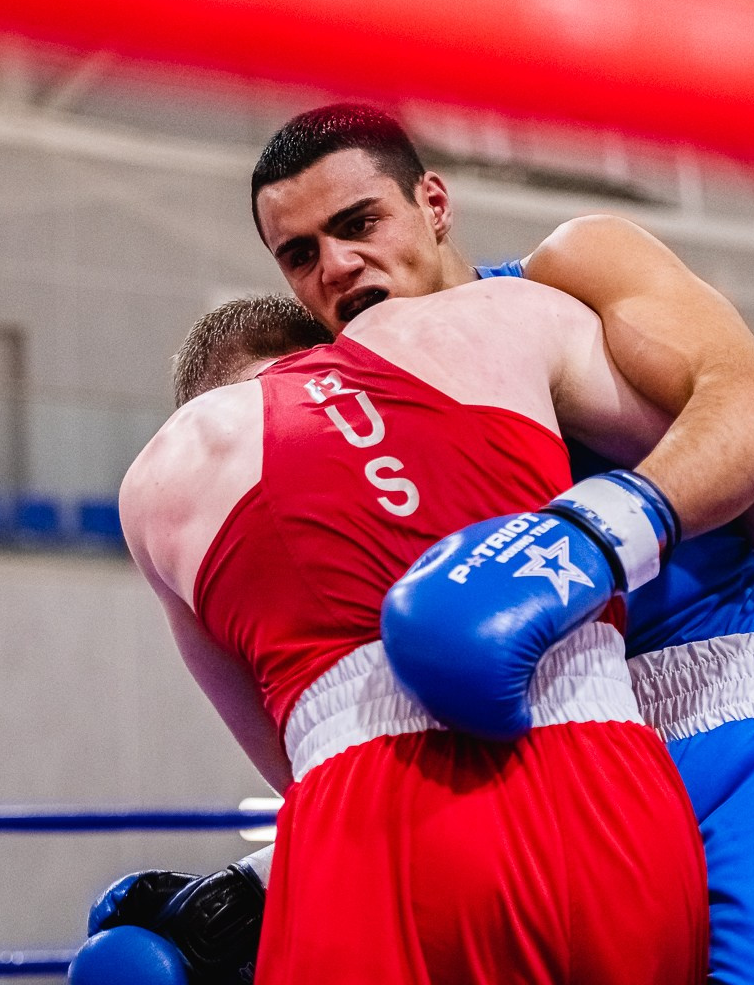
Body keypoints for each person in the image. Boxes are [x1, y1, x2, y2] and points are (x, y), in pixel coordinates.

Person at [248, 104, 754, 985]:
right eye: (300, 254)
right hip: (524, 771)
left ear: (433, 203)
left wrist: (584, 541)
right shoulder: (335, 414)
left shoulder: (568, 277)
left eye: (359, 223)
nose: (337, 265)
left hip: (705, 715)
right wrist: (261, 879)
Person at [115, 286, 710, 985]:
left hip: (372, 813)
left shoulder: (173, 462)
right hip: (614, 787)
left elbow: (285, 755)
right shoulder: (477, 330)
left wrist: (258, 882)